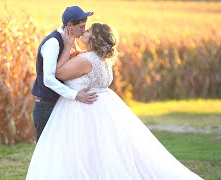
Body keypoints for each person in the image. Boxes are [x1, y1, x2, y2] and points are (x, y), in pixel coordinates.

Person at [26, 23, 203, 179]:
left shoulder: (86, 60)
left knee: (77, 152)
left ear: (93, 38)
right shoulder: (102, 59)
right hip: (102, 106)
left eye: (88, 30)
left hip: (83, 108)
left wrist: (67, 47)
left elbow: (59, 73)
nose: (84, 31)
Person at [31, 6, 97, 142]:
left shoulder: (69, 39)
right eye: (81, 27)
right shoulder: (53, 43)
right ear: (69, 25)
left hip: (60, 104)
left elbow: (76, 58)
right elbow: (48, 79)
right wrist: (75, 95)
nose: (84, 30)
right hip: (46, 106)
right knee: (46, 149)